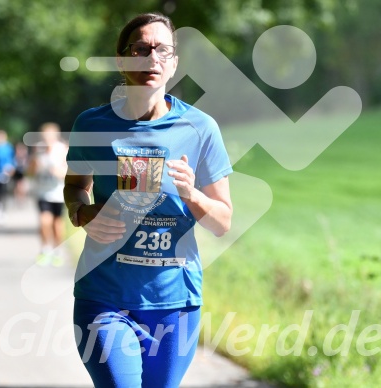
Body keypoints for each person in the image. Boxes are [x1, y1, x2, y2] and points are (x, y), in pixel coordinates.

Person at [64, 13, 233, 388]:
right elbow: (75, 185)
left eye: (162, 50)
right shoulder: (92, 125)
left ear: (173, 64)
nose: (151, 58)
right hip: (104, 295)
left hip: (175, 302)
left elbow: (223, 222)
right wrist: (81, 211)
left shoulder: (200, 128)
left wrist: (192, 195)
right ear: (122, 60)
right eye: (141, 49)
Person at [27, 123, 68, 266]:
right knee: (45, 221)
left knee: (57, 224)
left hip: (58, 193)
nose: (47, 139)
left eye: (50, 136)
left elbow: (69, 173)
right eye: (45, 136)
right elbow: (30, 172)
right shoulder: (38, 149)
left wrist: (58, 172)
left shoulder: (62, 149)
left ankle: (57, 251)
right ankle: (45, 249)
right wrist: (34, 163)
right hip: (42, 192)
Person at [13, 142, 29, 206]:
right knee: (18, 187)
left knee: (23, 187)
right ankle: (18, 199)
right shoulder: (15, 158)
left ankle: (22, 199)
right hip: (17, 174)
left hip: (23, 174)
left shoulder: (25, 158)